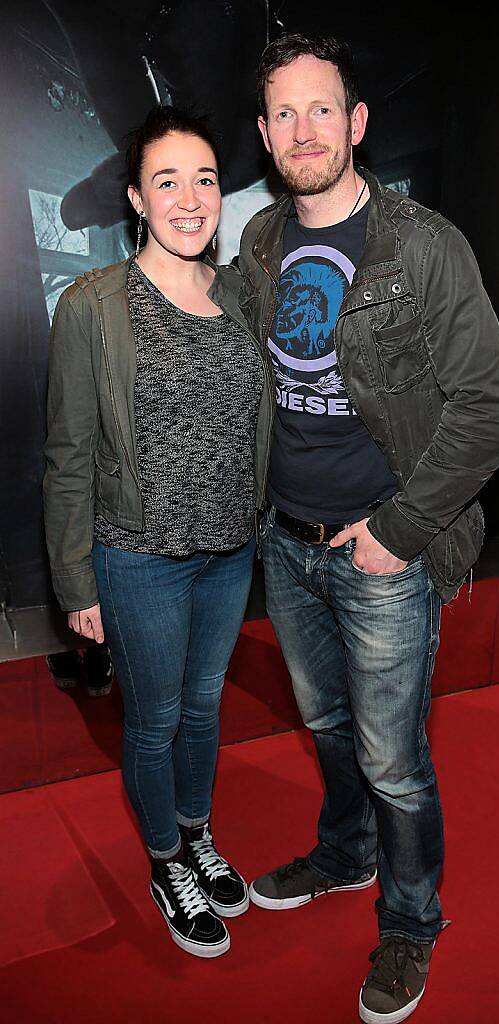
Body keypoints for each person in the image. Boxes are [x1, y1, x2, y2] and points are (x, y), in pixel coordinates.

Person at [237, 34, 499, 1023]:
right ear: (267, 134)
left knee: (394, 759)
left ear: (357, 124)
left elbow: (488, 407)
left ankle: (410, 923)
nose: (304, 130)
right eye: (284, 113)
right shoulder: (262, 242)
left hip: (382, 551)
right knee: (325, 727)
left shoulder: (422, 245)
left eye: (323, 109)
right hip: (289, 541)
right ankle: (345, 854)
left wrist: (399, 529)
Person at [44, 105, 271, 958]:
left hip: (227, 551)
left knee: (206, 707)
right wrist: (75, 583)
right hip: (137, 558)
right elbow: (67, 453)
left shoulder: (241, 293)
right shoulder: (94, 305)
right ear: (136, 198)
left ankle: (196, 829)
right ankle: (167, 859)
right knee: (156, 717)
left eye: (205, 179)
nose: (189, 198)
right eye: (166, 180)